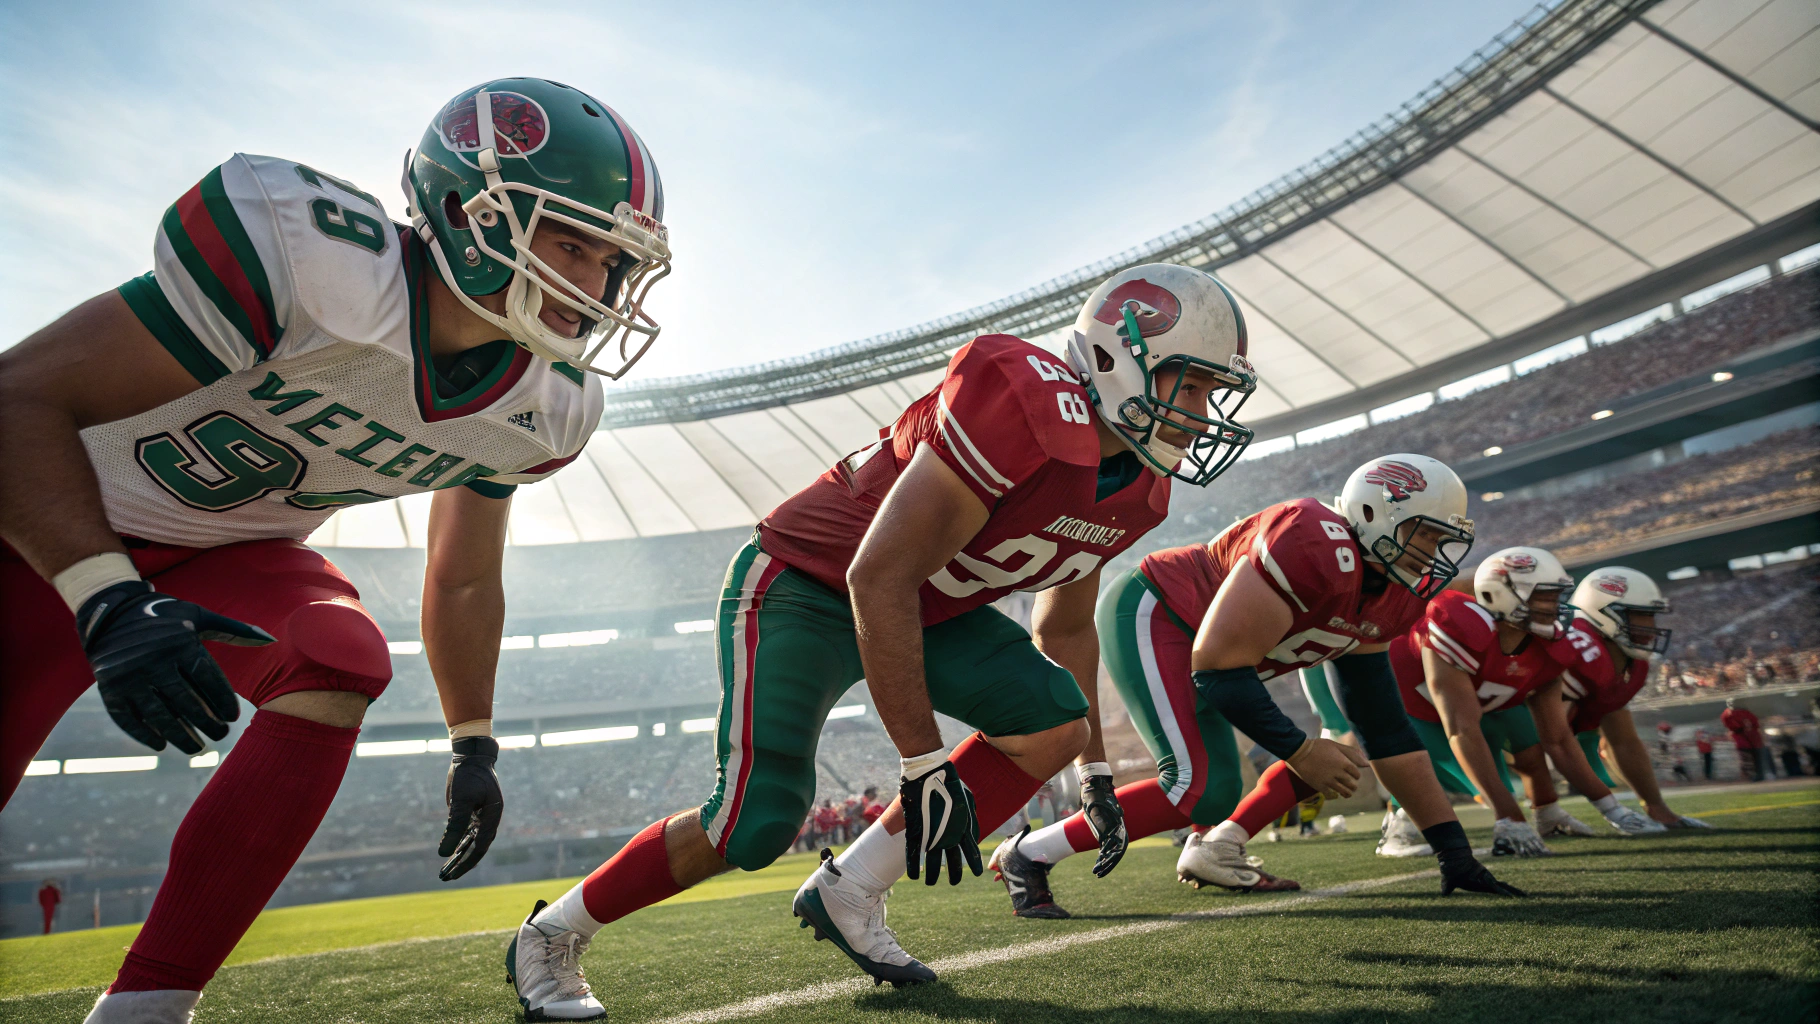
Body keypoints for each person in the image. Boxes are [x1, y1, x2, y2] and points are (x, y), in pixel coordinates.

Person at [0, 79, 671, 1024]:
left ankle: (146, 1009)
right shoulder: (317, 263)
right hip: (42, 527)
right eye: (571, 244)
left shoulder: (541, 405)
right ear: (465, 212)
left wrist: (472, 742)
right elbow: (15, 400)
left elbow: (465, 571)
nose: (596, 290)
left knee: (338, 653)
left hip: (232, 547)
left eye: (613, 263)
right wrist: (104, 592)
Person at [506, 262, 1260, 1018]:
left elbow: (1063, 624)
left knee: (1052, 721)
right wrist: (923, 761)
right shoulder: (1022, 392)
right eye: (1188, 386)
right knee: (754, 822)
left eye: (1209, 395)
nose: (1199, 413)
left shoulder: (1143, 489)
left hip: (929, 607)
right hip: (809, 585)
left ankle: (851, 889)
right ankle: (553, 932)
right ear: (1115, 354)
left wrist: (1094, 768)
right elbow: (878, 578)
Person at [987, 454, 1520, 919]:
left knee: (1218, 792)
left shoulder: (1395, 597)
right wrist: (1299, 749)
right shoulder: (1314, 540)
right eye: (1424, 535)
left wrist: (1455, 853)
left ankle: (1211, 851)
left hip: (1217, 655)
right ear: (1373, 514)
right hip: (1160, 612)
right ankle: (1029, 853)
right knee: (1193, 787)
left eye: (1442, 540)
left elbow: (1384, 729)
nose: (1432, 554)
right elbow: (1218, 666)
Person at [1376, 548, 1582, 858]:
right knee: (1430, 769)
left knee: (1527, 740)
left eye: (1555, 596)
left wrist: (1610, 807)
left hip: (1476, 697)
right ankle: (1400, 819)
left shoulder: (1527, 637)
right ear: (1503, 596)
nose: (1554, 607)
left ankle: (1547, 810)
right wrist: (1508, 815)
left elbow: (1557, 737)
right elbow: (1461, 727)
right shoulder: (1459, 620)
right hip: (1414, 699)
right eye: (1544, 596)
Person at [1537, 568, 1711, 830]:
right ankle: (1530, 814)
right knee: (1532, 744)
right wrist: (1612, 809)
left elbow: (1622, 741)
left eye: (1651, 617)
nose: (1651, 628)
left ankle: (1659, 810)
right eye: (1641, 616)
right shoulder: (1578, 649)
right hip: (1494, 729)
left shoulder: (1622, 660)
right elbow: (1545, 739)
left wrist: (1656, 806)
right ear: (1603, 612)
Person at [1721, 699, 1770, 781]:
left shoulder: (1742, 713)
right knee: (1748, 758)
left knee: (1754, 758)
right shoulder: (1728, 714)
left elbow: (1754, 724)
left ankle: (1757, 775)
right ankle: (1752, 775)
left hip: (1751, 738)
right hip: (1743, 739)